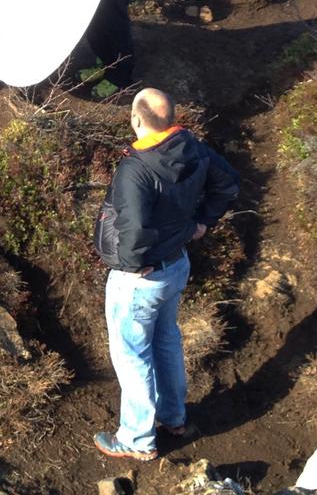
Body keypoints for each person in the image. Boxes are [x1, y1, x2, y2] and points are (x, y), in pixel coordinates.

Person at [93, 88, 240, 461]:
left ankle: (137, 439)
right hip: (176, 266)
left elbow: (136, 229)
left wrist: (129, 266)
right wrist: (204, 221)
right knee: (166, 342)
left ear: (136, 120)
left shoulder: (136, 168)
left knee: (133, 357)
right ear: (171, 119)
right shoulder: (192, 147)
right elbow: (228, 182)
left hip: (140, 279)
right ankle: (175, 417)